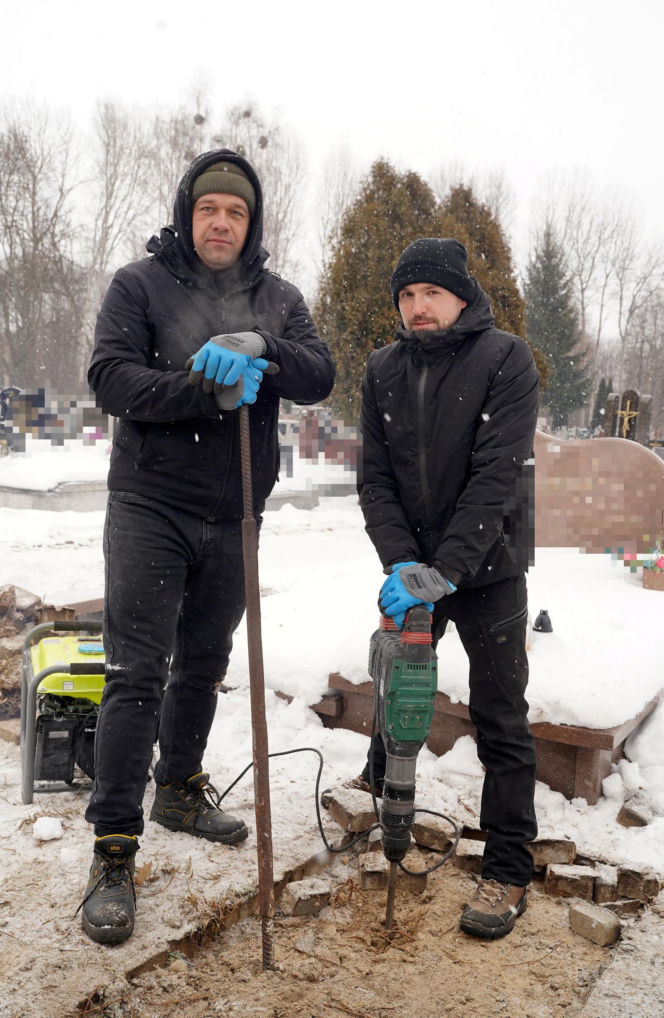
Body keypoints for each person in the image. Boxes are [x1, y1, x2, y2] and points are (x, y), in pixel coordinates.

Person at [81, 149, 335, 945]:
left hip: (235, 517)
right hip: (150, 506)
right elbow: (111, 381)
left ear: (251, 223)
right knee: (135, 673)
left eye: (236, 212)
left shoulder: (279, 297)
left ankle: (181, 787)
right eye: (208, 210)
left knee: (204, 663)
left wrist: (263, 346)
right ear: (188, 215)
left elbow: (320, 373)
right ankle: (114, 850)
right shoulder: (139, 285)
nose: (221, 223)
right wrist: (200, 384)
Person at [355, 237, 539, 940]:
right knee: (396, 688)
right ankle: (381, 801)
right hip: (414, 573)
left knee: (500, 717)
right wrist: (405, 565)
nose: (416, 307)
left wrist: (448, 569)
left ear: (461, 295)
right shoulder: (384, 369)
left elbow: (497, 476)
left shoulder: (504, 358)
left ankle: (509, 865)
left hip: (488, 570)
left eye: (429, 292)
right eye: (405, 296)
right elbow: (374, 478)